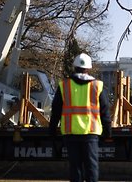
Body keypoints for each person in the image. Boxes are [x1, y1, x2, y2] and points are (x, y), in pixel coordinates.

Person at [49, 53, 112, 182]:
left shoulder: (64, 85)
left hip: (70, 133)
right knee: (91, 167)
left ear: (74, 67)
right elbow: (105, 112)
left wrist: (52, 130)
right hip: (91, 133)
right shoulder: (97, 86)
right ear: (88, 68)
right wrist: (108, 132)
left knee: (75, 168)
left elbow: (56, 110)